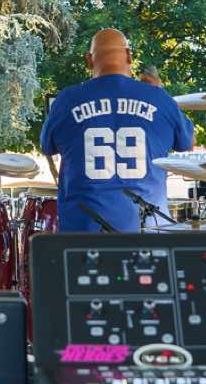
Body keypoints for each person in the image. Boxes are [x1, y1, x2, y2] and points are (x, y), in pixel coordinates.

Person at [39, 28, 194, 233]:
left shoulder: (66, 100)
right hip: (147, 233)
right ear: (129, 56)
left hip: (82, 235)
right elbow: (187, 142)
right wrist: (159, 93)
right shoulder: (159, 98)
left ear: (89, 60)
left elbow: (47, 146)